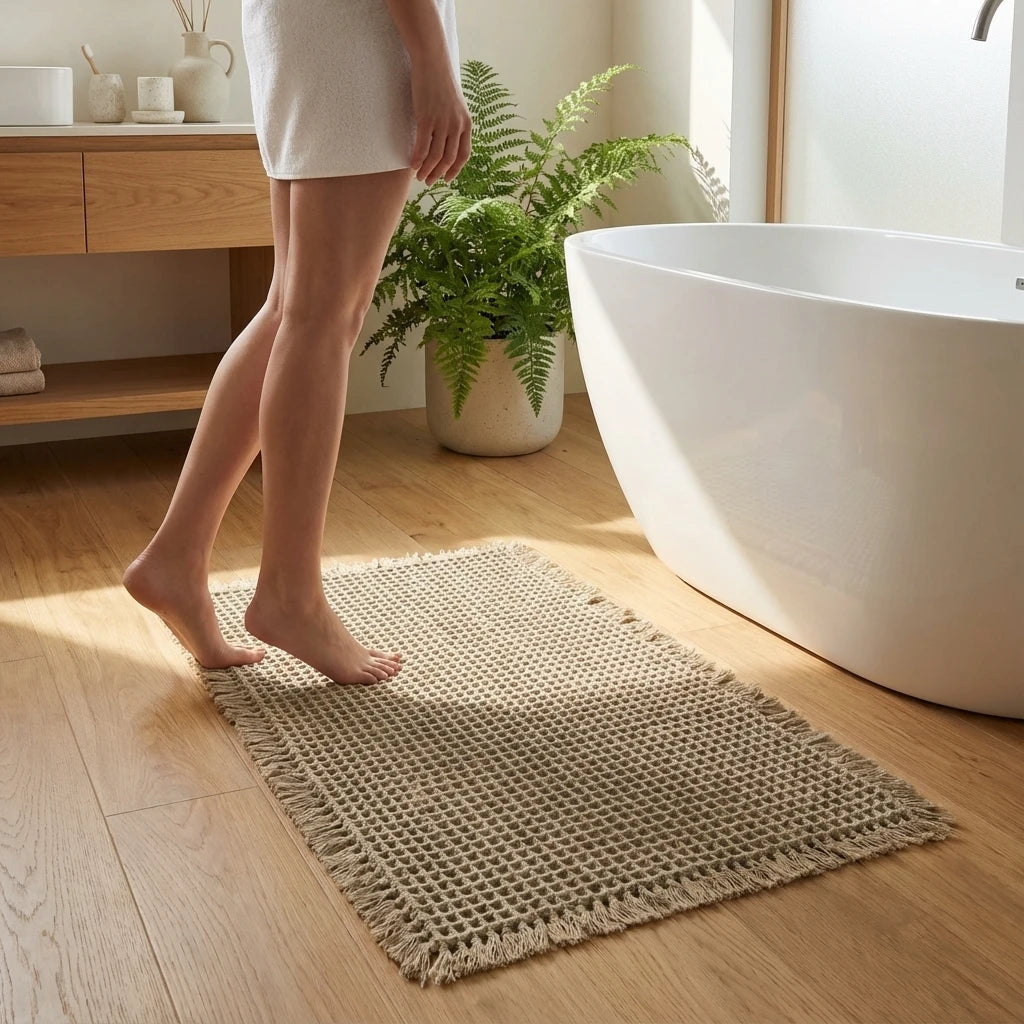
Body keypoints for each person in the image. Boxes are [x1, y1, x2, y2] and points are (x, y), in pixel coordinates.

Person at [123, 0, 471, 685]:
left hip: (303, 24)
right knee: (322, 315)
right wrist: (431, 58)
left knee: (294, 309)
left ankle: (178, 557)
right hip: (359, 30)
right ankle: (290, 594)